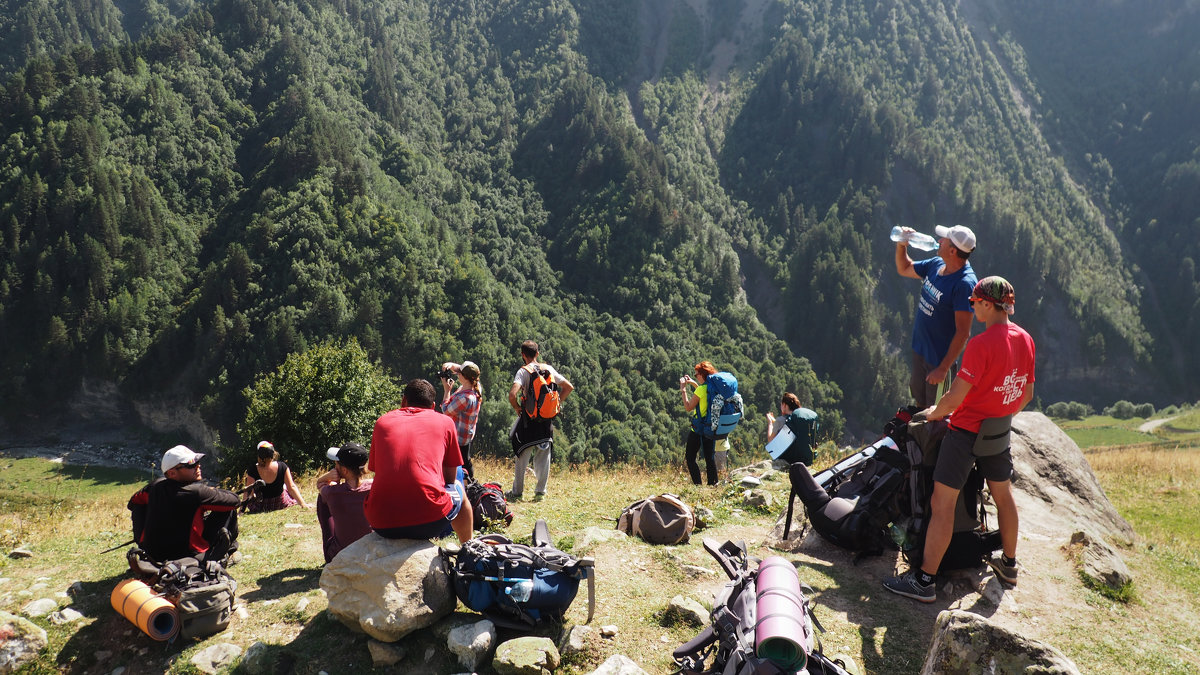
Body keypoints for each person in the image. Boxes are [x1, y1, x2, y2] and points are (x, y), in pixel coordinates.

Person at [884, 276, 1035, 602]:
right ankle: (1008, 565)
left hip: (964, 433)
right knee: (1003, 497)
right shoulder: (1025, 339)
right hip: (997, 432)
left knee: (942, 504)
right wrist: (1001, 415)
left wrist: (933, 414)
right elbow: (1026, 394)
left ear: (985, 303)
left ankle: (924, 581)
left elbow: (954, 399)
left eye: (974, 302)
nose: (972, 308)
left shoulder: (981, 345)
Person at [365, 379, 473, 543]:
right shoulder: (445, 422)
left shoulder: (382, 422)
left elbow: (375, 470)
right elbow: (450, 479)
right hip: (429, 522)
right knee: (458, 485)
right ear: (433, 406)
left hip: (381, 523)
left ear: (403, 401)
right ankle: (468, 547)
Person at [895, 224, 978, 408]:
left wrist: (943, 369)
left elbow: (963, 332)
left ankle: (932, 438)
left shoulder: (964, 283)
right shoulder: (936, 264)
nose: (938, 241)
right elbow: (904, 268)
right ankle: (917, 437)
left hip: (938, 360)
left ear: (952, 251)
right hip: (920, 351)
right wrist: (902, 245)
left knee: (936, 411)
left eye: (944, 239)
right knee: (919, 404)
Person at [128, 445, 240, 563]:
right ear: (172, 473)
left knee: (138, 506)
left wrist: (142, 538)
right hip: (189, 556)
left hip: (152, 555)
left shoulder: (154, 487)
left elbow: (133, 503)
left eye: (197, 462)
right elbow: (235, 501)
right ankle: (228, 551)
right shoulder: (197, 492)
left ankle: (144, 546)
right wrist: (212, 491)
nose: (198, 466)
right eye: (191, 465)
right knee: (229, 510)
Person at [507, 340, 574, 501]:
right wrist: (556, 404)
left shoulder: (523, 372)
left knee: (522, 454)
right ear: (537, 353)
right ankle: (540, 493)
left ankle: (517, 492)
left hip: (528, 420)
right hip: (546, 420)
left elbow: (512, 394)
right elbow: (568, 387)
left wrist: (517, 407)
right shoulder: (548, 369)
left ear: (523, 355)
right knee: (544, 455)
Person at [315, 442, 373, 563]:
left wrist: (326, 477)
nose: (334, 467)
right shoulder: (374, 487)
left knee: (322, 499)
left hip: (340, 555)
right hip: (370, 552)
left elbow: (319, 485)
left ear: (345, 471)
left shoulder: (332, 492)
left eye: (336, 464)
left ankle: (328, 553)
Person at [441, 360, 483, 479]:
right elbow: (470, 371)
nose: (457, 373)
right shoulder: (476, 387)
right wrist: (452, 365)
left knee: (461, 462)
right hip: (467, 433)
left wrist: (447, 390)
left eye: (459, 373)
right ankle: (469, 482)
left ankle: (467, 483)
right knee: (466, 459)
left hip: (458, 437)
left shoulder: (465, 398)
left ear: (464, 377)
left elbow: (446, 410)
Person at [680, 361, 719, 486]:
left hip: (698, 428)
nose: (696, 376)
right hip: (711, 426)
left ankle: (698, 485)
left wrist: (683, 389)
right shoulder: (712, 387)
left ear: (702, 375)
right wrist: (693, 383)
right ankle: (713, 485)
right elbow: (703, 395)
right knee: (709, 458)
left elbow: (688, 407)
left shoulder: (701, 390)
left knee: (690, 458)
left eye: (696, 375)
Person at [243, 440, 310, 513]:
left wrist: (241, 510)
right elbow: (291, 487)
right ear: (273, 454)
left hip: (261, 506)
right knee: (285, 488)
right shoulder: (282, 466)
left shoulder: (253, 470)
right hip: (279, 503)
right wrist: (303, 504)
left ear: (259, 455)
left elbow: (249, 492)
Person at [765, 392, 819, 466]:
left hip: (789, 460)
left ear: (784, 405)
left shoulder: (780, 420)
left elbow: (770, 440)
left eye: (781, 405)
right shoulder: (799, 419)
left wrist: (770, 423)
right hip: (807, 459)